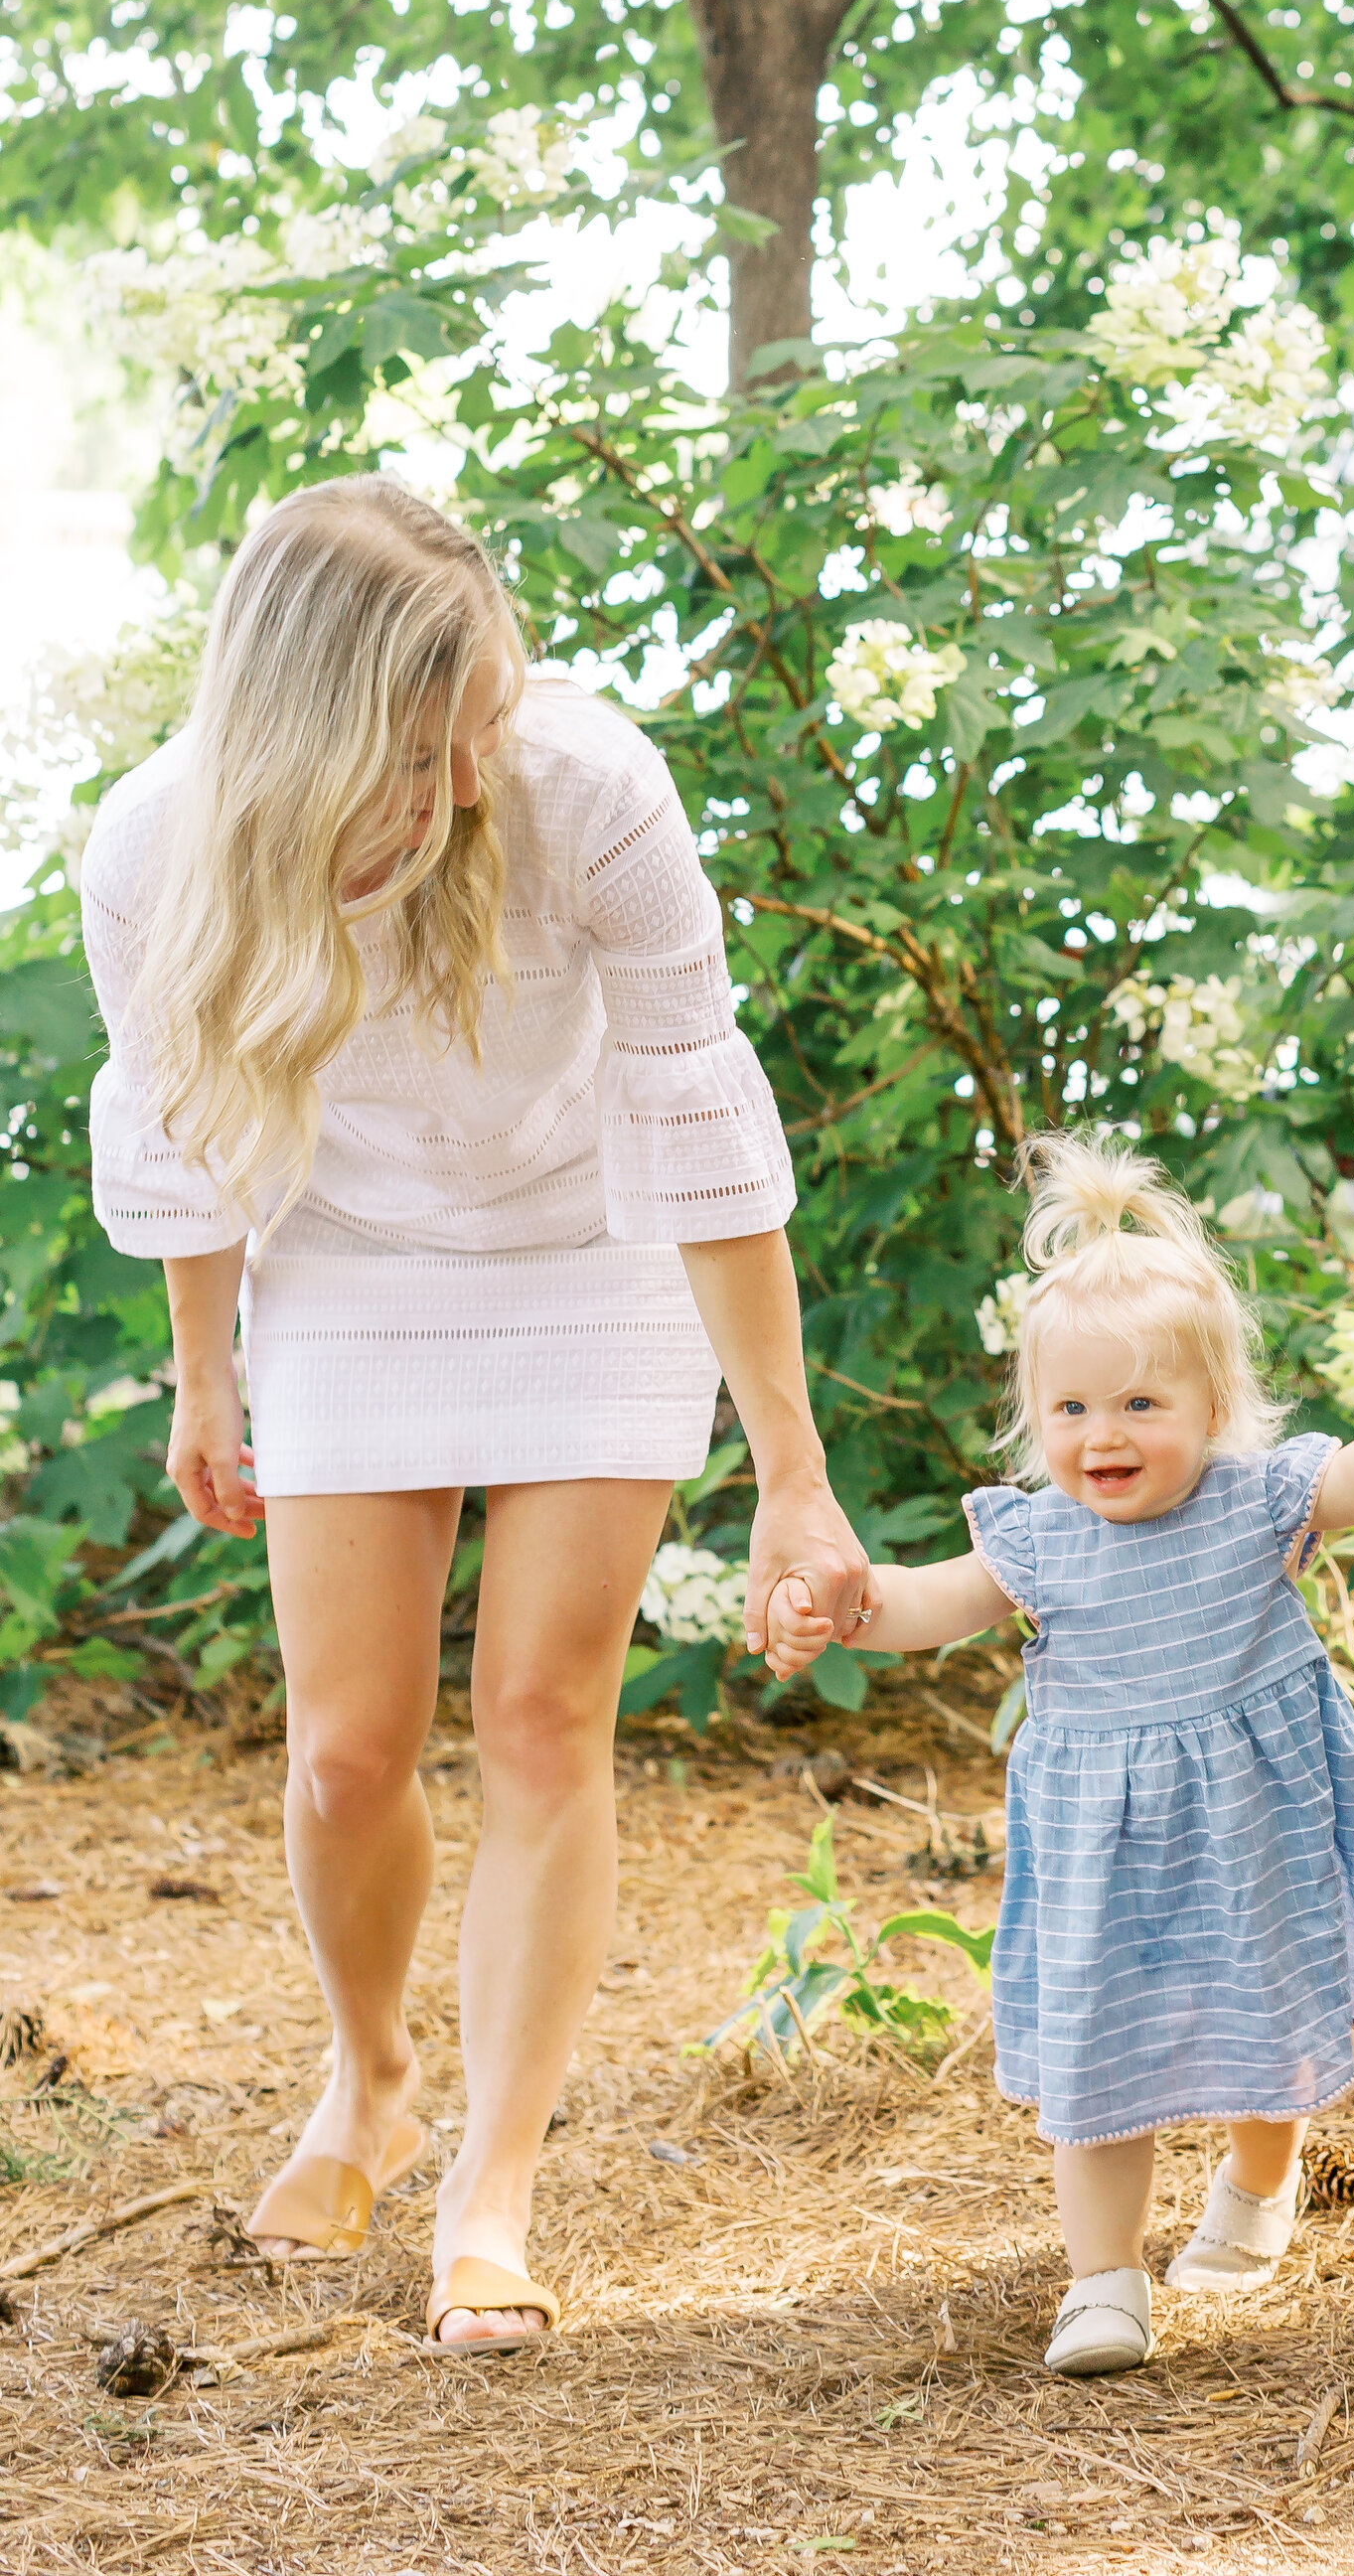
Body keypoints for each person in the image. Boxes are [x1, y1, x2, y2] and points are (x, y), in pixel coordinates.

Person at [80, 477, 872, 2349]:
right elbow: (186, 1115)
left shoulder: (588, 790)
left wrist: (794, 1473)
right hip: (348, 1264)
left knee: (538, 1717)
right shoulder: (155, 847)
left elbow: (702, 1129)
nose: (455, 792)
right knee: (348, 1752)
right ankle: (367, 2079)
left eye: (473, 742)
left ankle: (488, 2188)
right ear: (301, 736)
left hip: (593, 1245)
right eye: (416, 755)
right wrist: (208, 1366)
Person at [770, 1133, 1354, 2376]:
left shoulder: (1257, 1504)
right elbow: (921, 1603)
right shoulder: (1037, 1546)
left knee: (1263, 2036)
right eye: (1074, 1408)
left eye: (1144, 1404)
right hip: (1105, 1861)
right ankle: (1103, 2281)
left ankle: (1259, 2190)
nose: (1107, 1433)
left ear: (1214, 1410)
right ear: (1035, 1423)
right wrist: (843, 1600)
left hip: (1248, 1835)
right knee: (1100, 2061)